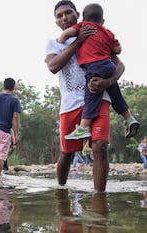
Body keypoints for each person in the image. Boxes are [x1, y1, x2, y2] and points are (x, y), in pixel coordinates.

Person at [45, 0, 125, 192]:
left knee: (100, 147)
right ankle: (62, 192)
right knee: (67, 153)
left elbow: (120, 65)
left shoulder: (96, 34)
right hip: (70, 104)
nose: (64, 18)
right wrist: (78, 41)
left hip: (99, 98)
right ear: (56, 21)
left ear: (77, 14)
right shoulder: (55, 43)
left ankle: (99, 198)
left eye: (68, 13)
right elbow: (53, 66)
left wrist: (107, 82)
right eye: (59, 15)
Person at [57, 3, 140, 140]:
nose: (64, 18)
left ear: (82, 18)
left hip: (94, 67)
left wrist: (62, 39)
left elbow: (65, 35)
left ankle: (83, 127)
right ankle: (129, 118)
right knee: (115, 94)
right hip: (108, 66)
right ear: (102, 21)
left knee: (91, 96)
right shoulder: (107, 32)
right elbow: (118, 50)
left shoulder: (83, 27)